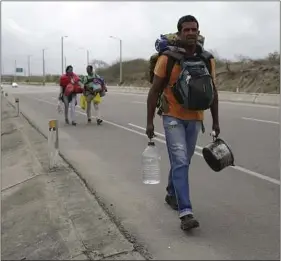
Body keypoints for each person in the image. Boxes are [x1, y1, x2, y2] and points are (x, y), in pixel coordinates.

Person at [146, 15, 220, 231]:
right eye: (186, 30)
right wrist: (149, 122)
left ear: (198, 32)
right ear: (179, 33)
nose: (190, 33)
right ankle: (185, 212)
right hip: (172, 117)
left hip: (195, 117)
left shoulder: (207, 59)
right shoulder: (168, 58)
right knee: (180, 161)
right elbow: (154, 91)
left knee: (184, 161)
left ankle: (171, 193)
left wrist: (216, 122)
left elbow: (213, 91)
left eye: (193, 29)